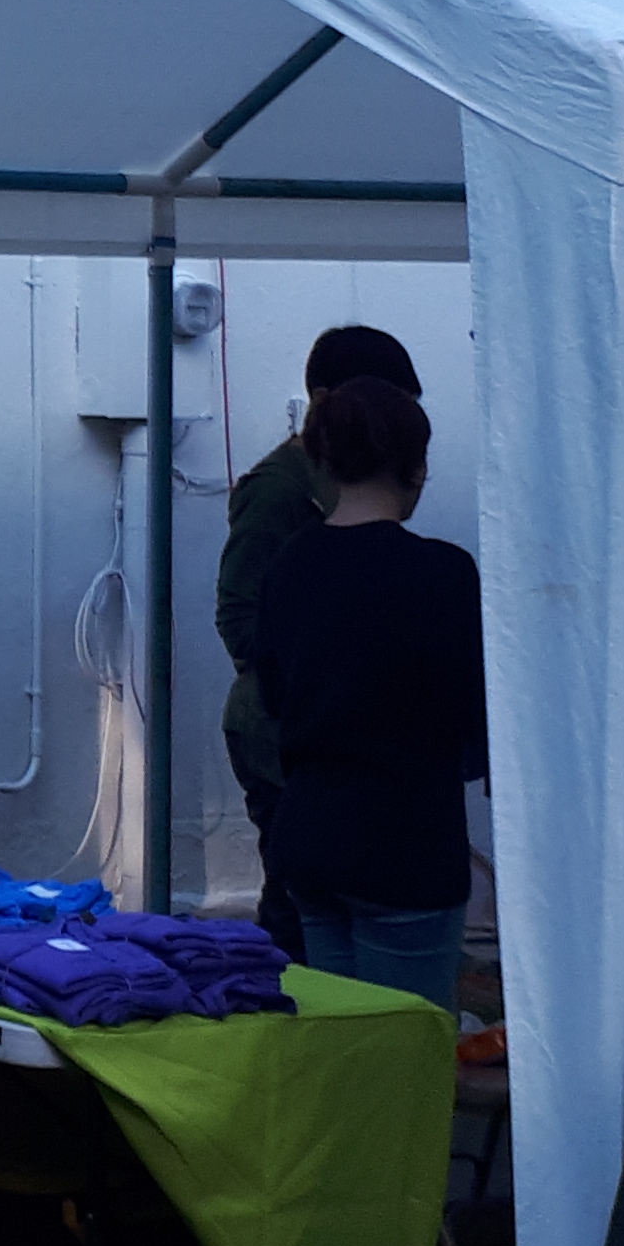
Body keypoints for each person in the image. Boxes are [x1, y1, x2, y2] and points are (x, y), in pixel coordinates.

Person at [249, 371, 488, 1020]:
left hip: (311, 837)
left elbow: (272, 694)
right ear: (418, 467)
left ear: (323, 461)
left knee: (342, 1048)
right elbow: (474, 714)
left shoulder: (291, 565)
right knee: (406, 1057)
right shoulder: (444, 574)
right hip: (405, 844)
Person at [214, 325, 430, 946]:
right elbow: (238, 616)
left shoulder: (344, 475)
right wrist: (318, 682)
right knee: (295, 892)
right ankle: (286, 1015)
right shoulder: (281, 488)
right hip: (277, 731)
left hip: (317, 726)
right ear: (325, 399)